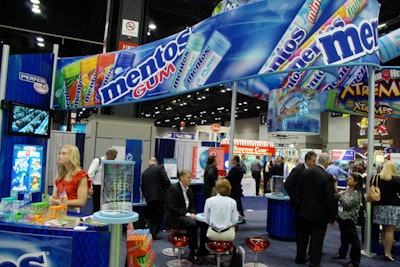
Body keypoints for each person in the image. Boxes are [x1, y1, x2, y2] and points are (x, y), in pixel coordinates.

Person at [297, 152, 337, 267]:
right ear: (327, 163)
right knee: (317, 238)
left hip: (304, 210)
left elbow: (299, 191)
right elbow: (330, 198)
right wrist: (332, 216)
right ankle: (314, 263)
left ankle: (300, 257)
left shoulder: (306, 172)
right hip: (319, 214)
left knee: (303, 235)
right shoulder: (327, 177)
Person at [283, 151, 317, 264]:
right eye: (313, 161)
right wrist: (296, 199)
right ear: (307, 160)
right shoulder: (298, 170)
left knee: (311, 233)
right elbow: (287, 184)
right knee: (302, 233)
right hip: (301, 207)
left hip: (312, 207)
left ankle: (311, 253)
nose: (315, 163)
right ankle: (300, 256)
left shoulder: (314, 171)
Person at [164, 170, 202, 265]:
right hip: (174, 218)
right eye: (189, 178)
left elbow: (192, 205)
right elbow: (172, 209)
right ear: (182, 178)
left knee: (197, 222)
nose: (190, 180)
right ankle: (193, 252)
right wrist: (188, 215)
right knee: (192, 223)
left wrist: (192, 213)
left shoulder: (189, 190)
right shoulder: (173, 189)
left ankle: (199, 249)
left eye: (191, 178)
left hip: (184, 216)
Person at [371, 160, 400, 262]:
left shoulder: (376, 178)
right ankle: (388, 253)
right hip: (392, 207)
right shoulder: (396, 180)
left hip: (379, 207)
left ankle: (383, 250)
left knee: (383, 229)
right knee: (390, 230)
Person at [333, 173, 364, 267]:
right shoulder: (348, 189)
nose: (347, 180)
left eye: (350, 179)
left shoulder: (356, 193)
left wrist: (340, 195)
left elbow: (347, 204)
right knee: (344, 238)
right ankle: (342, 253)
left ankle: (354, 261)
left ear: (356, 182)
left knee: (354, 241)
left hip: (349, 218)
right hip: (342, 217)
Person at [50, 145, 91, 212]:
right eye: (59, 153)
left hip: (72, 212)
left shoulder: (80, 175)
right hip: (59, 210)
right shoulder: (61, 174)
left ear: (72, 157)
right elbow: (56, 196)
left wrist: (59, 202)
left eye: (64, 154)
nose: (60, 156)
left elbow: (81, 202)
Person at [141, 157, 171, 240]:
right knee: (157, 216)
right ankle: (153, 234)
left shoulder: (144, 172)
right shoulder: (160, 168)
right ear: (156, 162)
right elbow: (166, 181)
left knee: (151, 216)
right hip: (159, 196)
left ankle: (151, 233)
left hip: (149, 197)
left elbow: (142, 187)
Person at [87, 148, 118, 213]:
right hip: (97, 186)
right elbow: (90, 174)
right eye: (114, 157)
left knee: (104, 206)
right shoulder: (98, 161)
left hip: (106, 187)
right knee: (97, 206)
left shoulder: (110, 163)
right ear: (109, 155)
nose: (114, 159)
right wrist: (90, 187)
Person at [226, 155, 245, 219]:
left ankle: (239, 216)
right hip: (237, 188)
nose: (231, 161)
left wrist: (223, 178)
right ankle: (240, 215)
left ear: (235, 160)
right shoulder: (239, 168)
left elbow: (229, 178)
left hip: (233, 189)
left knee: (236, 203)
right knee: (237, 202)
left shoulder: (234, 168)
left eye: (232, 159)